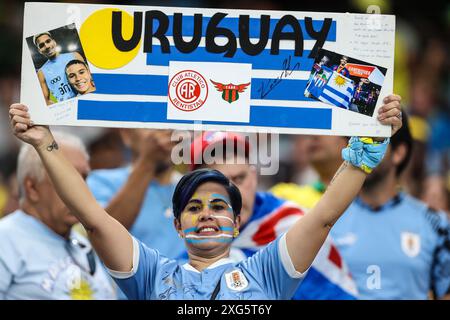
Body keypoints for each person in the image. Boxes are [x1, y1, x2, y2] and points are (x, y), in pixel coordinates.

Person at [8, 97, 401, 299]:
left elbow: (323, 216)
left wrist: (365, 149)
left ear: (235, 222)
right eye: (193, 207)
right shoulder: (152, 274)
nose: (207, 214)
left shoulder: (266, 271)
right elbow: (93, 217)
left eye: (219, 206)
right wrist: (45, 143)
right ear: (177, 226)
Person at [186, 131, 358, 299]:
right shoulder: (188, 241)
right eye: (218, 184)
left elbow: (325, 216)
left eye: (239, 179)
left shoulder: (288, 222)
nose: (233, 194)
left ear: (254, 176)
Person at [330, 113, 450, 300]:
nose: (361, 149)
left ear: (398, 153)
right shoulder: (328, 219)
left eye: (373, 140)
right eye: (354, 141)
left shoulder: (435, 223)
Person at [0, 130, 115, 299]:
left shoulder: (82, 244)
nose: (81, 190)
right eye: (66, 180)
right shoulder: (5, 239)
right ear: (32, 188)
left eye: (84, 178)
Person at [33, 32, 85, 105]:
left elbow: (91, 79)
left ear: (54, 42)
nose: (47, 46)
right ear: (40, 51)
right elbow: (46, 100)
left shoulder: (75, 56)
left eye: (48, 41)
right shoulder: (41, 73)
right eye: (42, 45)